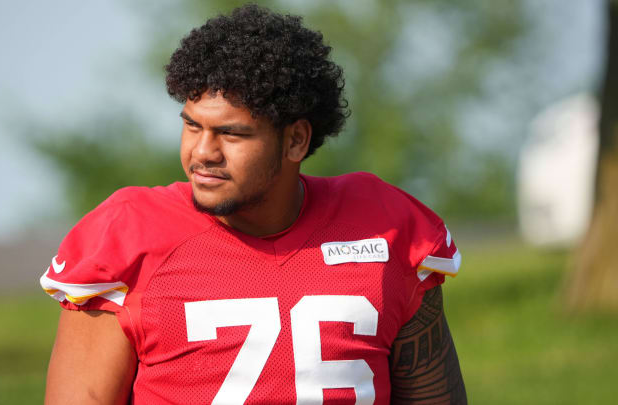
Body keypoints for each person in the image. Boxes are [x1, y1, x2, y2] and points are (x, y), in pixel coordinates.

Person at [40, 4, 467, 404]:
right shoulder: (127, 234)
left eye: (232, 134)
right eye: (192, 126)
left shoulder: (386, 225)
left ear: (296, 140)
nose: (202, 152)